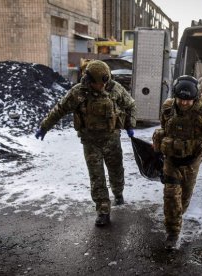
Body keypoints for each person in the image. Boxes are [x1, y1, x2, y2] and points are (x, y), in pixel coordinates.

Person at [35, 60, 136, 226]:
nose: (103, 86)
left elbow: (131, 105)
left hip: (112, 140)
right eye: (99, 83)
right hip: (90, 142)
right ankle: (103, 210)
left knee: (117, 171)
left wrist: (130, 125)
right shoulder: (78, 93)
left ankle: (118, 193)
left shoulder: (114, 88)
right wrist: (44, 127)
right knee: (97, 177)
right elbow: (59, 109)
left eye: (106, 82)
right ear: (90, 81)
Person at [152, 75, 202, 250]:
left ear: (195, 98)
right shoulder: (168, 107)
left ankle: (178, 215)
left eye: (188, 100)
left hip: (192, 161)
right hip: (171, 160)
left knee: (183, 199)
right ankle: (172, 233)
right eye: (181, 99)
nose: (184, 103)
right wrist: (158, 152)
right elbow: (164, 129)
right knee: (171, 195)